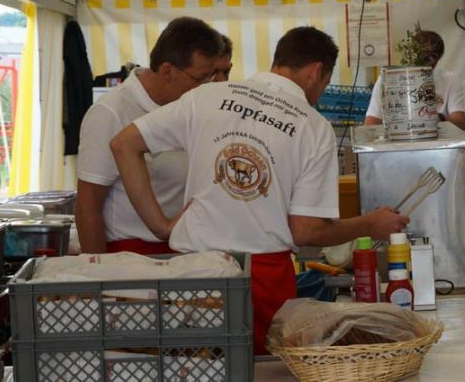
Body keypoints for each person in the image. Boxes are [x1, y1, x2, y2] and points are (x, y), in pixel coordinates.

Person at [110, 26, 409, 355]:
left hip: (194, 275)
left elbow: (124, 144)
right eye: (325, 83)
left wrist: (161, 226)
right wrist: (370, 224)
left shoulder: (206, 97)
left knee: (195, 370)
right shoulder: (313, 127)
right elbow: (306, 230)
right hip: (262, 279)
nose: (321, 92)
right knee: (263, 371)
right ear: (316, 71)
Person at [75, 17, 225, 254]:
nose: (208, 87)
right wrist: (98, 271)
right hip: (131, 255)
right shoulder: (111, 112)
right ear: (167, 71)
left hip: (186, 249)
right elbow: (87, 205)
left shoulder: (193, 108)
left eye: (211, 77)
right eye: (200, 79)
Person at [363, 29, 465, 130]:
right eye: (423, 56)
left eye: (432, 57)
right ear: (410, 54)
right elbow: (370, 124)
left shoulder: (450, 79)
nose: (428, 61)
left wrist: (439, 118)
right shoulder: (387, 80)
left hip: (438, 139)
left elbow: (461, 123)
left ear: (439, 58)